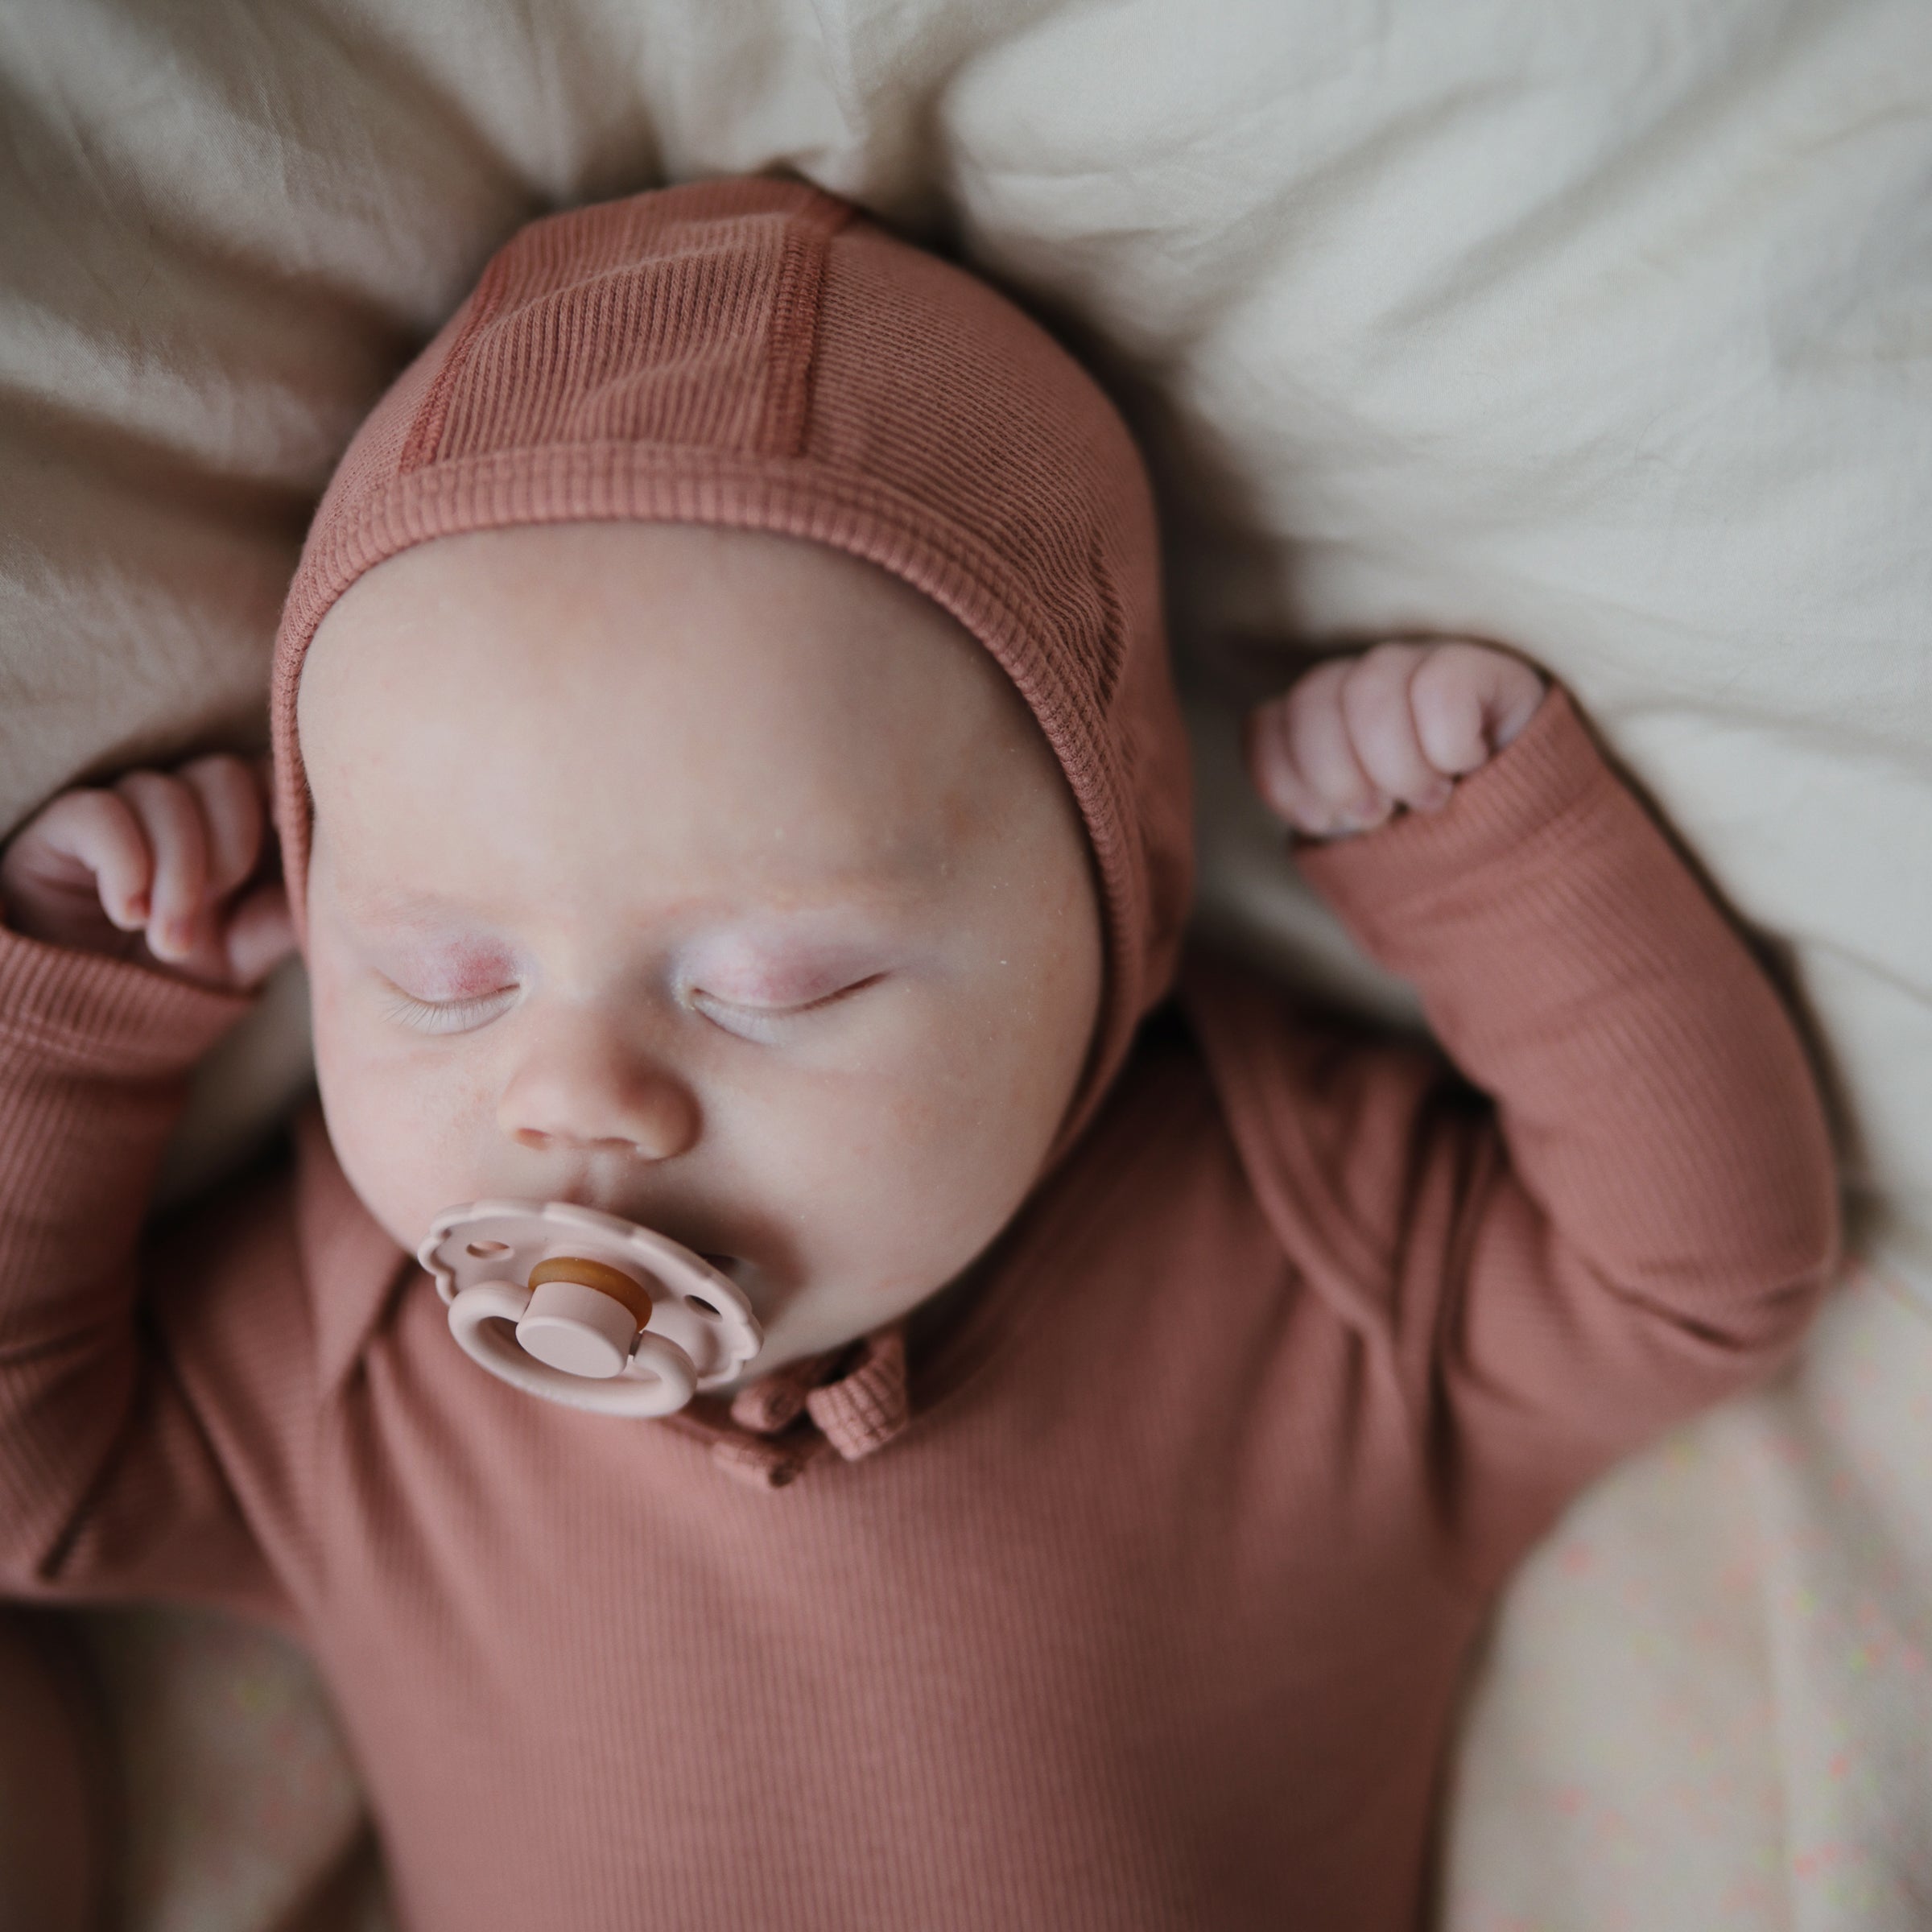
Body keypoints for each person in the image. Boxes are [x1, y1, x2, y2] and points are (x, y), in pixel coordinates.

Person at [0, 176, 1838, 1931]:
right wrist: (77, 1032)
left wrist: (1498, 868)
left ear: (1123, 917)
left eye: (775, 985)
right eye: (441, 977)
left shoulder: (1296, 1245)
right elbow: (34, 1489)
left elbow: (1699, 1277)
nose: (569, 1095)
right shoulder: (355, 1361)